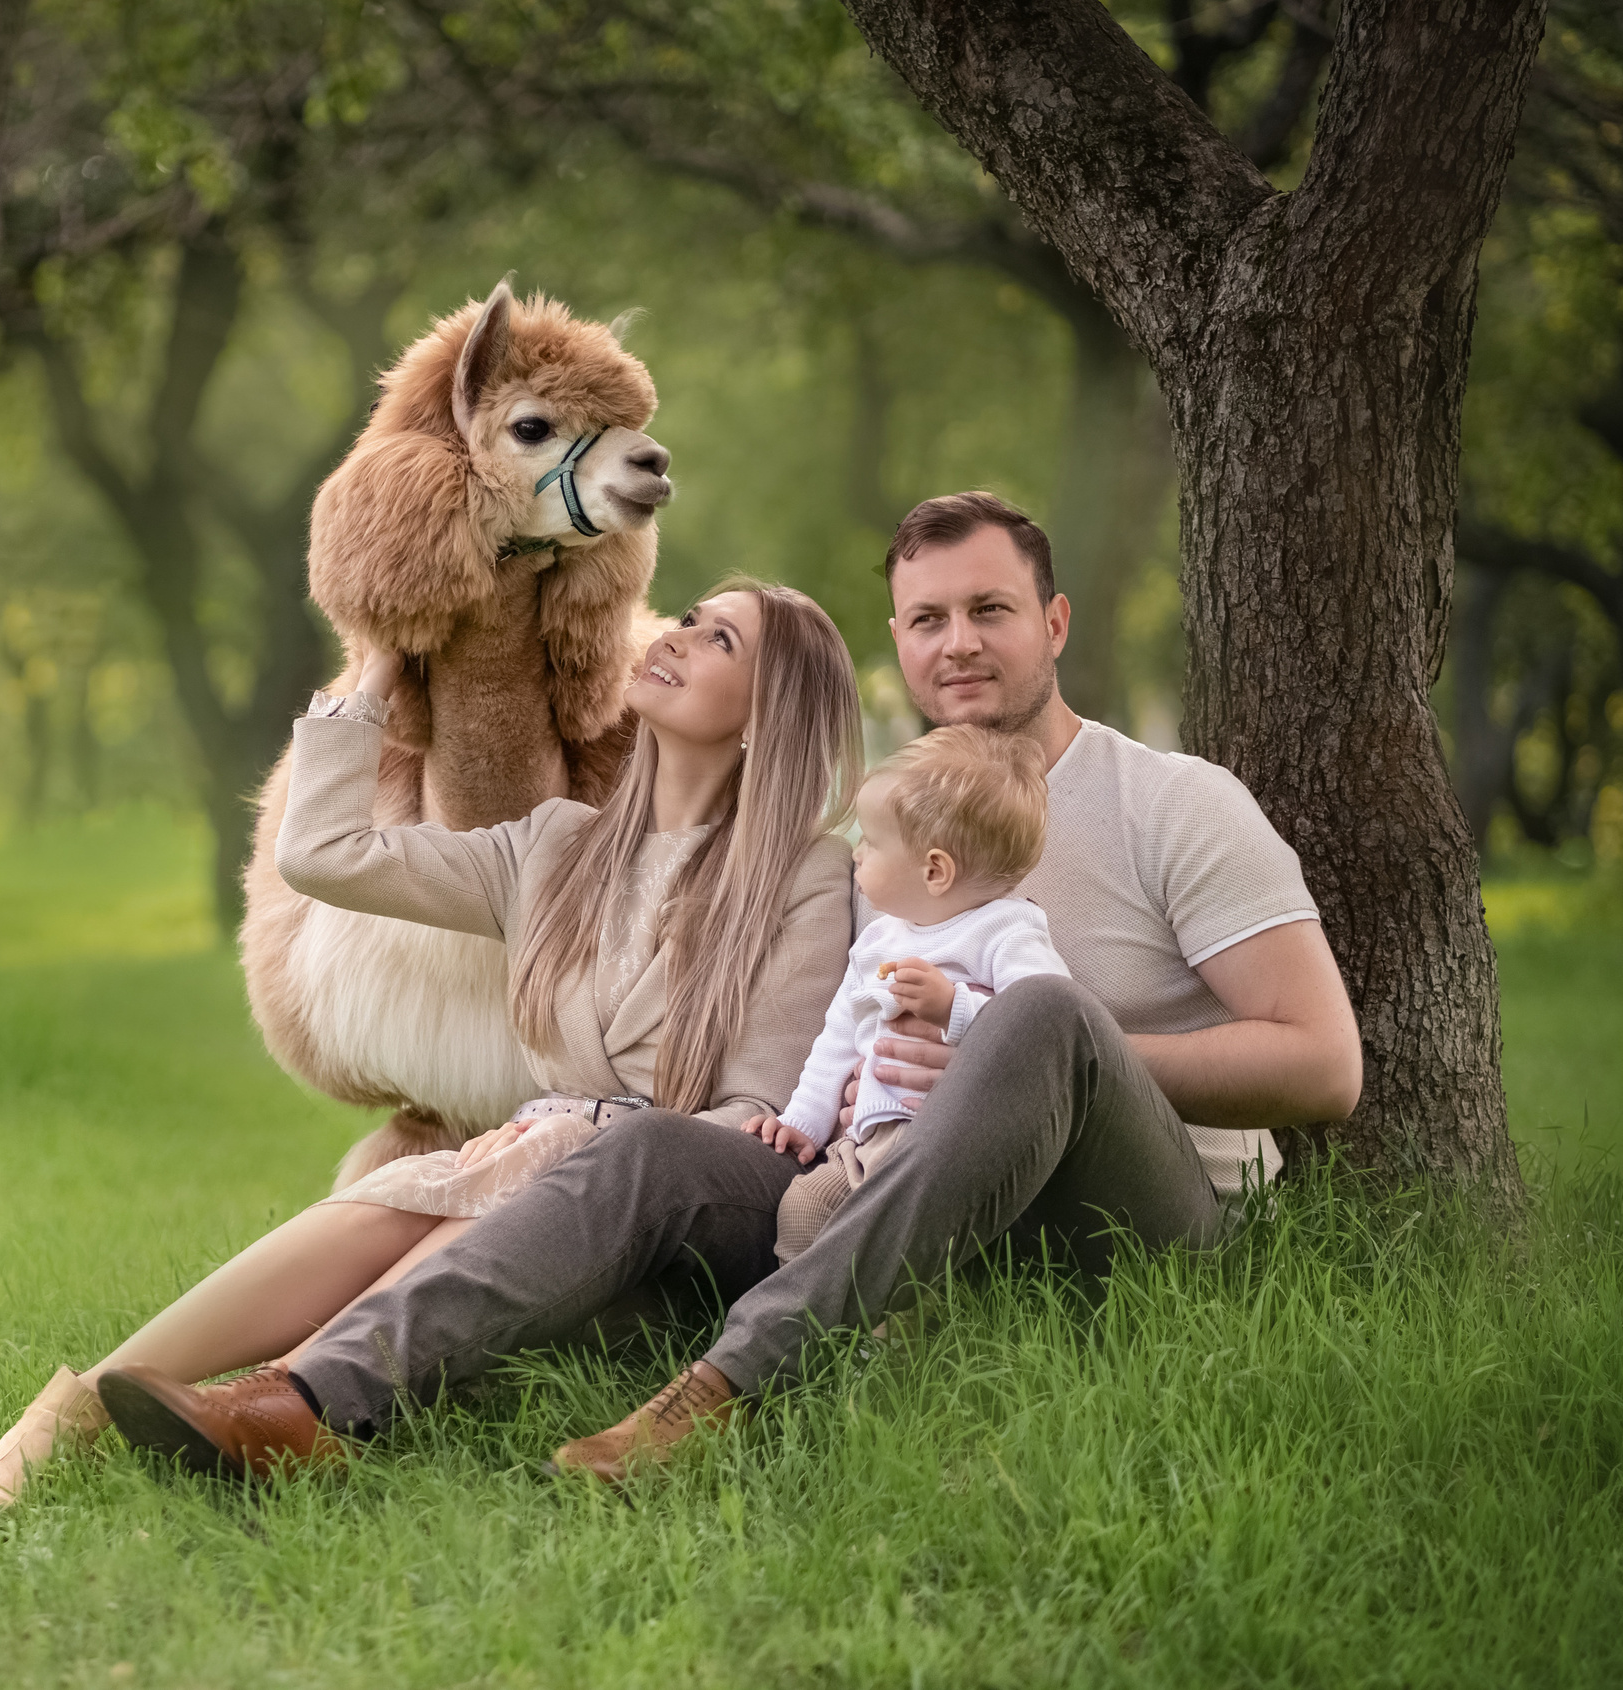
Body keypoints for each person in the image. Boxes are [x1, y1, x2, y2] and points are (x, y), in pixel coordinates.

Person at [105, 491, 1364, 1488]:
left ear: (1055, 623)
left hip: (1121, 1222)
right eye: (926, 620)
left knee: (1042, 1014)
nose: (959, 643)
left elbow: (1322, 1067)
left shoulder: (1170, 802)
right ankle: (304, 1404)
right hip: (886, 1189)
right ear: (897, 648)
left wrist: (1008, 1056)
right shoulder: (879, 835)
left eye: (989, 609)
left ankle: (718, 1397)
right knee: (640, 1149)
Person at [0, 578, 863, 1506]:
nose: (675, 636)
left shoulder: (807, 877)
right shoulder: (556, 847)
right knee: (400, 1199)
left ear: (769, 713)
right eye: (690, 618)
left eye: (721, 642)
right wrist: (376, 675)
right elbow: (323, 855)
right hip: (533, 1167)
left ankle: (271, 1410)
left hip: (649, 1221)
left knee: (489, 1181)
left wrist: (573, 1140)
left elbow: (761, 1113)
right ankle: (66, 1418)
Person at [766, 723, 1071, 1264]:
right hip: (863, 1145)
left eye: (873, 841)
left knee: (899, 1251)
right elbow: (839, 1037)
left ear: (935, 870)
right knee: (803, 1209)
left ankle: (891, 1345)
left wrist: (955, 1008)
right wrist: (803, 1121)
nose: (857, 854)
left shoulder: (1006, 930)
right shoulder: (880, 939)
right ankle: (806, 1326)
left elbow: (1048, 1023)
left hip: (945, 1151)